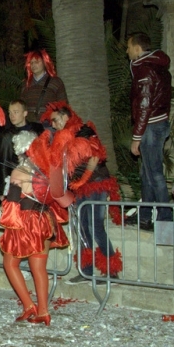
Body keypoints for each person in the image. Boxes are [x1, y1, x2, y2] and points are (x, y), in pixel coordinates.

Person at [38, 102, 123, 284]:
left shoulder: (83, 130)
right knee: (82, 228)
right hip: (81, 187)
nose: (53, 124)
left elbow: (95, 157)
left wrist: (83, 180)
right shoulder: (62, 138)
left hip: (96, 183)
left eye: (54, 120)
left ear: (64, 116)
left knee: (95, 225)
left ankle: (111, 272)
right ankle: (86, 271)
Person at [0, 131, 68, 326]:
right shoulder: (47, 170)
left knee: (10, 264)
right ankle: (43, 311)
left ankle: (29, 305)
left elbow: (11, 204)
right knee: (39, 268)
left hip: (26, 222)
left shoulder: (18, 173)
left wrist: (1, 217)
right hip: (45, 219)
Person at [127, 32, 173, 228]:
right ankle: (145, 215)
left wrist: (137, 137)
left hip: (151, 125)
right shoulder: (158, 67)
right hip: (157, 123)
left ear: (137, 48)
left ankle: (165, 219)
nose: (127, 52)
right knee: (147, 173)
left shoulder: (144, 69)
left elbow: (144, 105)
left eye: (128, 47)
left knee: (154, 173)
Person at [0, 99, 44, 197]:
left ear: (25, 113)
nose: (12, 116)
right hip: (17, 180)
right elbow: (4, 163)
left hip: (38, 179)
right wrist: (3, 191)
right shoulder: (8, 135)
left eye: (16, 112)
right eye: (10, 112)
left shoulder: (38, 129)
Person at [20, 50, 67, 121]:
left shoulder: (56, 82)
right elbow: (21, 105)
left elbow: (64, 105)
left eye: (37, 62)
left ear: (44, 62)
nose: (33, 65)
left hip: (49, 125)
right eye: (31, 63)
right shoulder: (25, 83)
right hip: (30, 124)